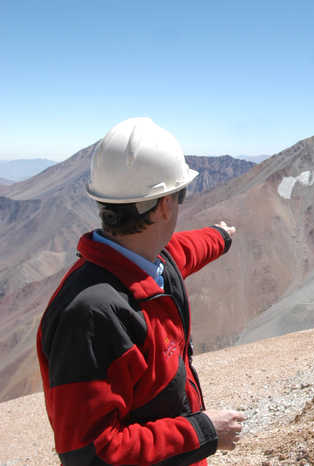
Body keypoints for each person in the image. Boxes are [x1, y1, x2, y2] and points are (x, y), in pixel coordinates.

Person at [37, 118, 246, 465]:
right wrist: (204, 431)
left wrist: (220, 236)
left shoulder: (149, 261)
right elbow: (90, 454)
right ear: (164, 205)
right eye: (179, 196)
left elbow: (187, 249)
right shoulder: (91, 316)